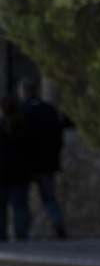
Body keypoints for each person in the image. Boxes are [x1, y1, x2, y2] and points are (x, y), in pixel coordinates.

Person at [17, 77, 67, 239]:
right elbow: (59, 136)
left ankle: (21, 234)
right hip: (47, 164)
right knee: (49, 198)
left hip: (26, 165)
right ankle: (58, 225)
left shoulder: (22, 111)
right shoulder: (49, 110)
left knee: (20, 202)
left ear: (23, 92)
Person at [0, 96, 32, 241]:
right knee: (20, 207)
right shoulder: (23, 125)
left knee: (2, 208)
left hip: (3, 172)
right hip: (20, 173)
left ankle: (2, 235)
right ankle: (21, 236)